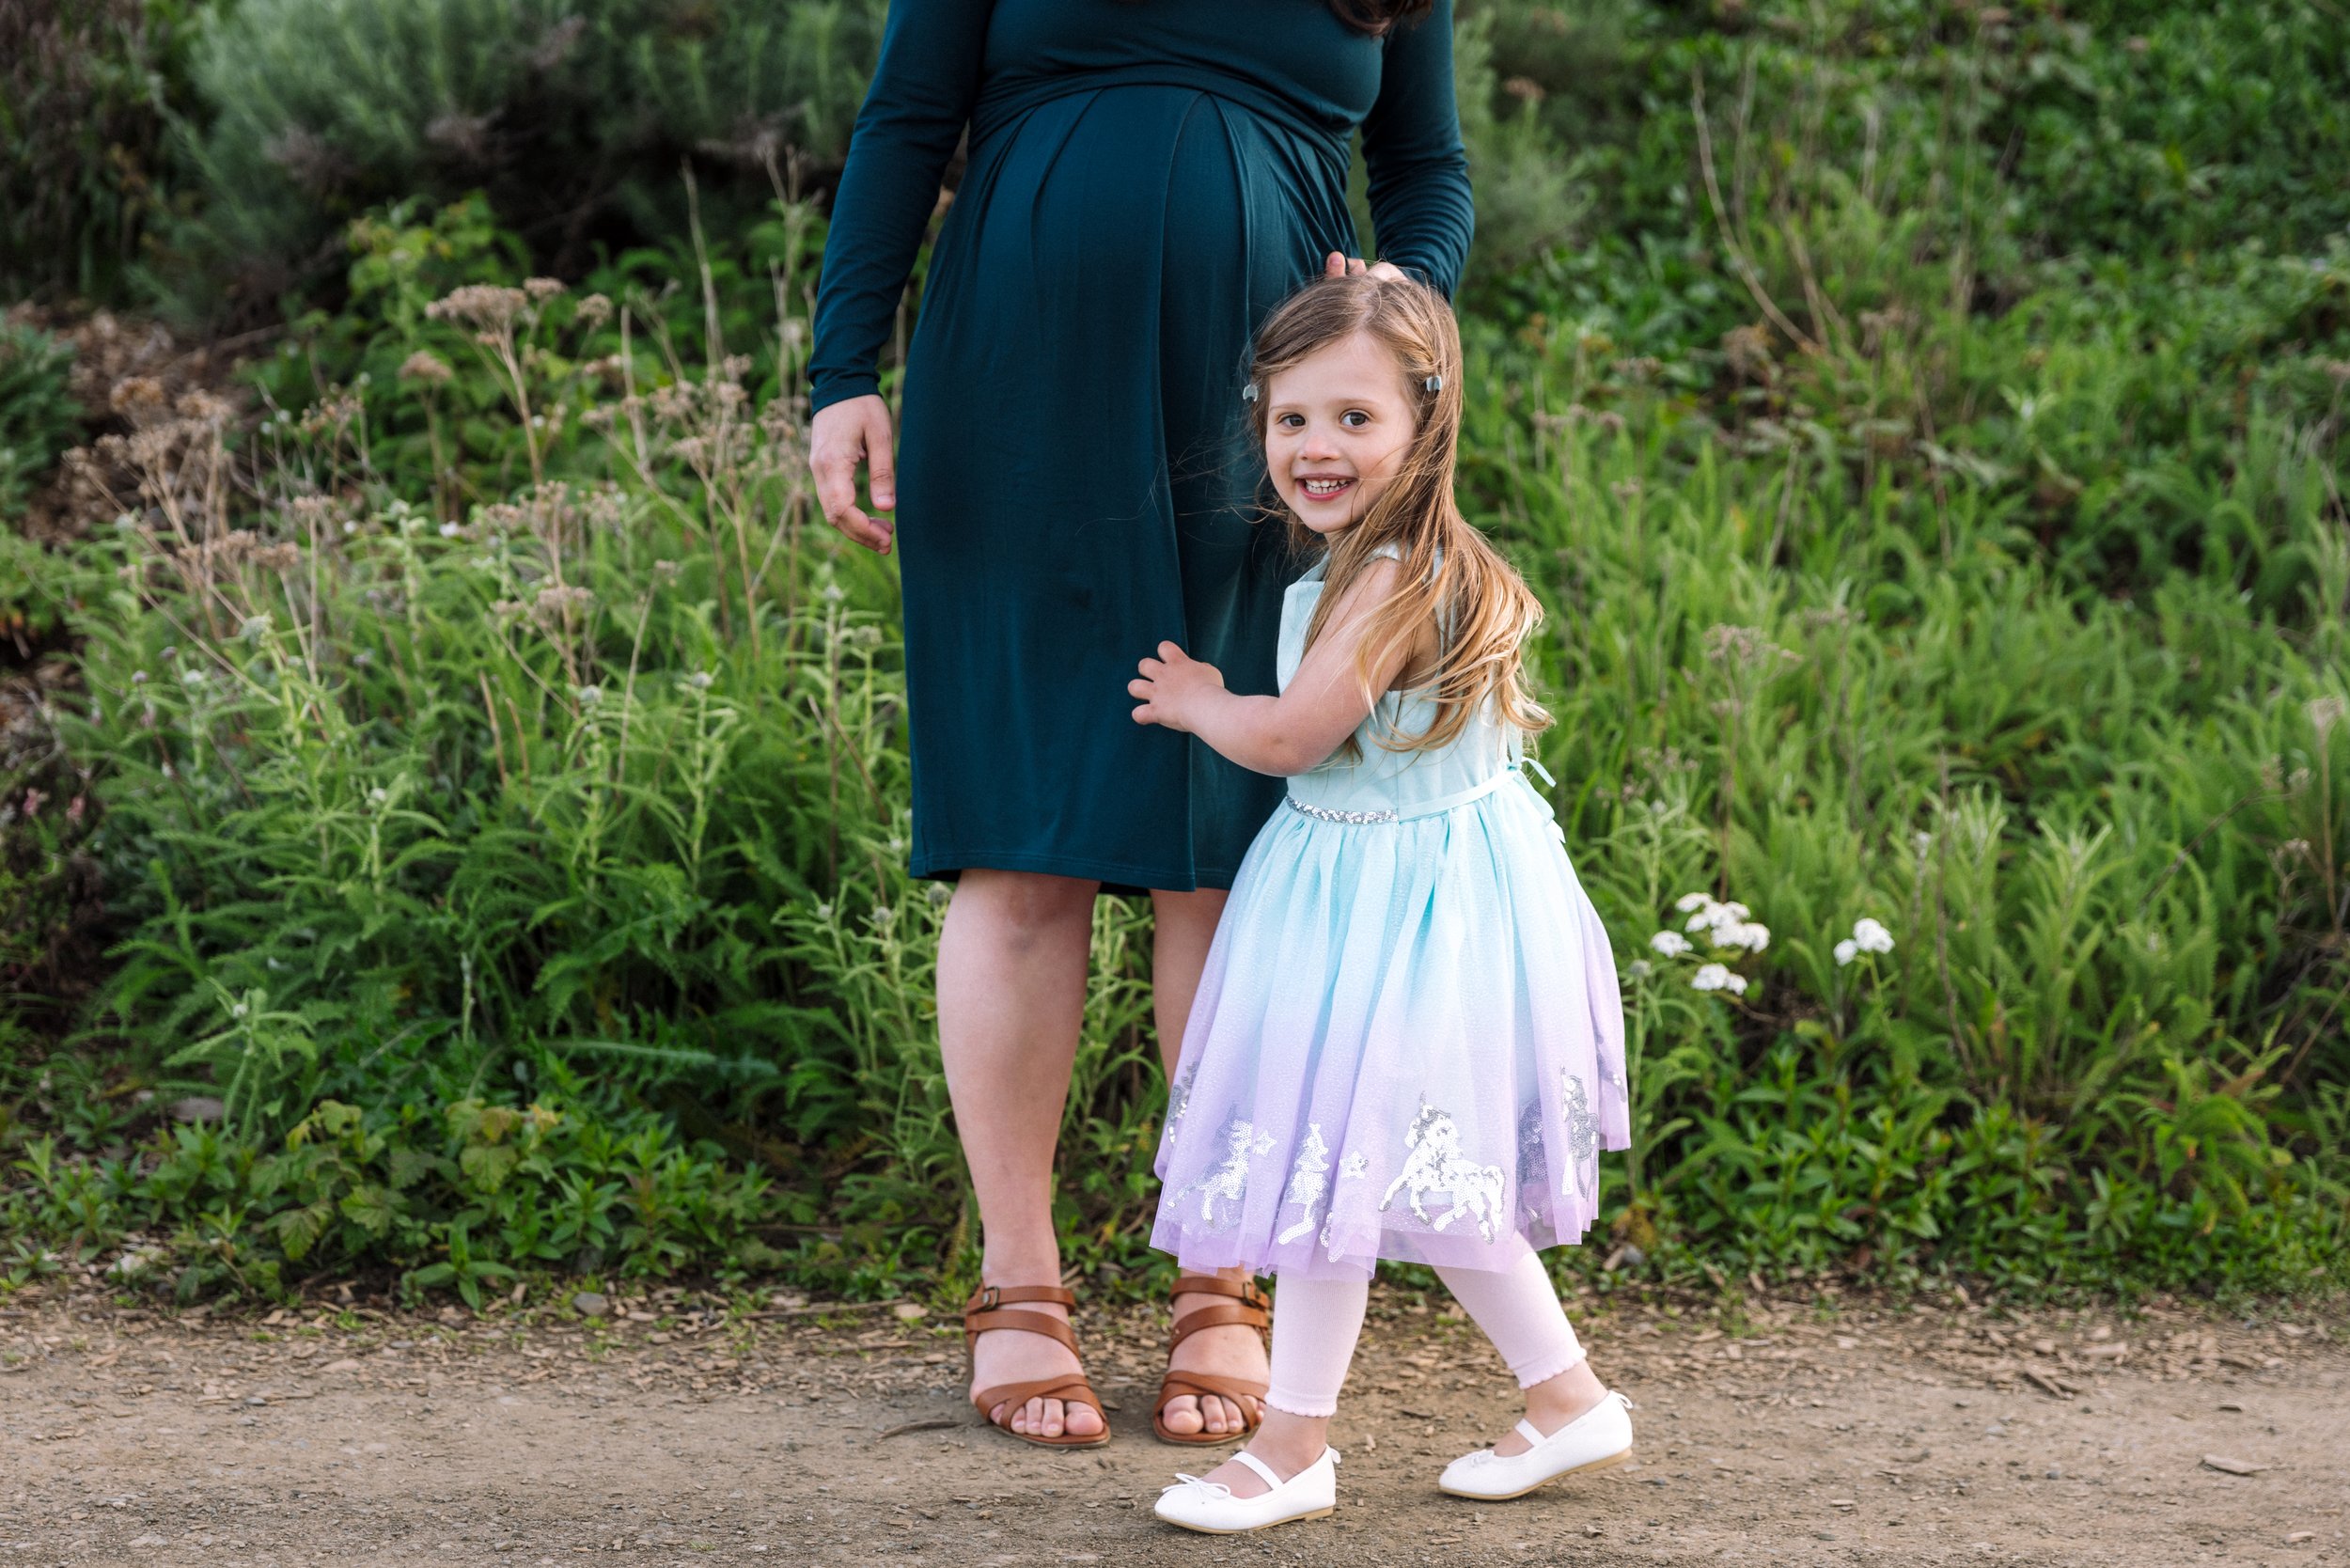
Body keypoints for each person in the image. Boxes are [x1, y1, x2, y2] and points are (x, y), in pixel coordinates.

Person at [806, 0, 1473, 1449]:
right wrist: (842, 370)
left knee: (1222, 850)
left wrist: (1397, 321)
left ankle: (1220, 1278)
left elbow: (1428, 166)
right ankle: (1019, 1283)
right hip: (1016, 384)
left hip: (1276, 417)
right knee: (1023, 831)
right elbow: (907, 122)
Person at [1128, 274, 1634, 1533]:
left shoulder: (1395, 578)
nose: (1318, 448)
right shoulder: (1394, 561)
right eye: (1292, 419)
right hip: (1406, 900)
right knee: (1396, 1171)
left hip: (1396, 917)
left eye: (1355, 419)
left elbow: (1298, 737)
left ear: (1425, 420)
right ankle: (1568, 1402)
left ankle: (1293, 1449)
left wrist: (1201, 704)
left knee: (1335, 1170)